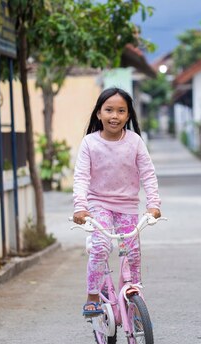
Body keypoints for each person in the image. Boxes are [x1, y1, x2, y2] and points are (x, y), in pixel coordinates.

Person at [72, 87, 161, 317]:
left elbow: (148, 174)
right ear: (99, 113)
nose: (115, 116)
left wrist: (154, 204)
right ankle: (92, 296)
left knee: (132, 252)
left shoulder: (135, 142)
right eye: (109, 110)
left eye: (121, 111)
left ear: (128, 115)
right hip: (98, 205)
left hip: (128, 207)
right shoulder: (90, 143)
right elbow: (81, 177)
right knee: (101, 247)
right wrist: (80, 207)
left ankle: (136, 292)